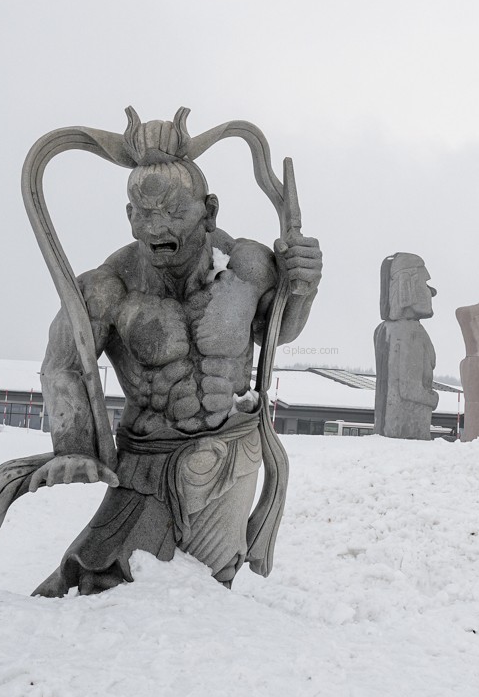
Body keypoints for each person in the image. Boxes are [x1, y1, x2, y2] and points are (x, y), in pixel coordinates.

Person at [27, 111, 322, 597]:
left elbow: (278, 332)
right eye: (143, 213)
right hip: (144, 465)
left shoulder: (249, 266)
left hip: (232, 449)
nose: (155, 227)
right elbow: (63, 362)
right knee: (100, 582)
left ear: (209, 211)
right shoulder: (109, 285)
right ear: (128, 215)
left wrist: (303, 287)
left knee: (202, 591)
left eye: (173, 212)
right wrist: (75, 445)